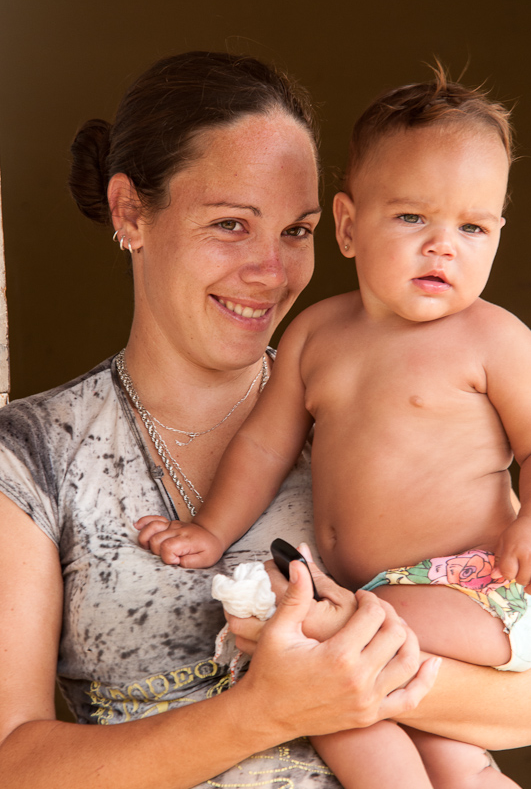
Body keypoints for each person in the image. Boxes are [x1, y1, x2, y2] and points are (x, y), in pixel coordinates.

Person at [0, 50, 446, 789]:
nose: (271, 272)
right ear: (129, 212)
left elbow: (516, 681)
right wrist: (267, 710)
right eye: (232, 225)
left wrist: (356, 674)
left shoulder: (371, 415)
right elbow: (12, 762)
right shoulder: (31, 454)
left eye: (296, 231)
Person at [136, 68, 531, 788]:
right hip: (378, 595)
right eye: (413, 219)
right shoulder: (318, 336)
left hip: (470, 589)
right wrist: (212, 532)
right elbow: (263, 445)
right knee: (372, 719)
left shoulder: (494, 340)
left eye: (471, 227)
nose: (444, 246)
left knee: (333, 642)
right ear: (347, 226)